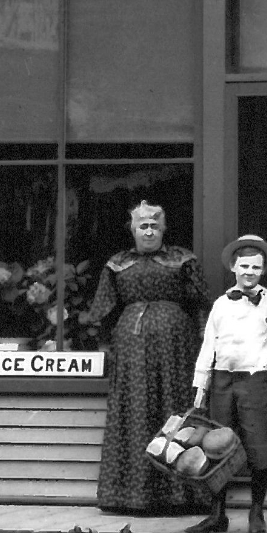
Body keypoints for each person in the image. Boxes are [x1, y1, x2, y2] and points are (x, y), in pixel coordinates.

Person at [87, 201, 207, 515]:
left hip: (175, 347)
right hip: (131, 348)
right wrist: (103, 346)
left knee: (174, 411)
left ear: (164, 228)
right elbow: (102, 312)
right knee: (135, 411)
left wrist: (205, 347)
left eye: (155, 225)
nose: (150, 230)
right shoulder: (117, 263)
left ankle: (181, 495)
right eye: (143, 225)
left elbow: (201, 305)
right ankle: (129, 496)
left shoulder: (182, 259)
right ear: (133, 229)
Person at [185, 235, 267, 533]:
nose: (249, 272)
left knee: (257, 444)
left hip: (253, 381)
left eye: (255, 267)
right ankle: (217, 513)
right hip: (221, 380)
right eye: (243, 266)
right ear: (233, 266)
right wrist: (200, 391)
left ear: (263, 270)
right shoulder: (220, 305)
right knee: (217, 445)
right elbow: (209, 348)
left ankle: (256, 514)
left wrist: (264, 357)